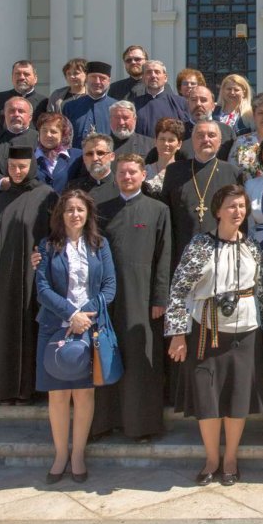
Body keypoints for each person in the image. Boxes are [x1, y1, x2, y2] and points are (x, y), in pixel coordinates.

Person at [165, 185, 263, 486]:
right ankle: (211, 459)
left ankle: (231, 459)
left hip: (244, 332)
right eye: (231, 206)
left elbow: (260, 291)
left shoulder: (252, 247)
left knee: (237, 397)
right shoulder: (200, 245)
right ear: (218, 211)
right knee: (208, 397)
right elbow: (179, 289)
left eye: (242, 206)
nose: (238, 211)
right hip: (206, 331)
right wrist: (178, 334)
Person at [34, 190, 117, 483]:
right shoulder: (46, 246)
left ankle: (78, 454)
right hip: (54, 326)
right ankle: (60, 455)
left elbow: (109, 287)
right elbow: (42, 289)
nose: (75, 215)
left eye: (80, 209)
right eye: (69, 209)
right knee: (57, 396)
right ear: (61, 214)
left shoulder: (99, 245)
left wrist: (85, 316)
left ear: (88, 213)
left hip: (90, 328)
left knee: (83, 394)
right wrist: (72, 314)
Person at [91, 154, 172, 441]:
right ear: (115, 176)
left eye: (132, 172)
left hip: (143, 298)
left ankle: (141, 426)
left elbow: (164, 256)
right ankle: (104, 422)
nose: (127, 177)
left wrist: (160, 299)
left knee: (140, 359)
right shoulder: (101, 210)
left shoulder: (158, 210)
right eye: (122, 173)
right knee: (106, 356)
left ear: (143, 175)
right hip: (107, 299)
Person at [0, 147, 58, 405]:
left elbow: (55, 236)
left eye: (22, 166)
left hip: (31, 279)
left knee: (29, 330)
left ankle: (28, 391)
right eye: (12, 166)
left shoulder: (46, 195)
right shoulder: (0, 198)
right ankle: (4, 390)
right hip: (2, 279)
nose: (17, 171)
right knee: (4, 333)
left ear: (32, 166)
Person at [162, 120, 246, 264]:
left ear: (220, 141)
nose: (206, 139)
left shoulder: (233, 173)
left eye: (211, 135)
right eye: (200, 136)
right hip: (182, 252)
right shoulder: (174, 171)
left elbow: (240, 219)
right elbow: (166, 216)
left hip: (221, 253)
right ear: (192, 141)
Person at [0, 60, 46, 141]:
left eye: (26, 74)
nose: (21, 77)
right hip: (1, 146)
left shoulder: (44, 102)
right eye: (17, 74)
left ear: (35, 79)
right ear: (12, 77)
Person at [63, 61, 117, 148]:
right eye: (93, 77)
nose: (97, 82)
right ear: (86, 79)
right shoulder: (70, 106)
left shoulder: (117, 107)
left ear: (109, 81)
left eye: (102, 78)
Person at [0, 96, 39, 175]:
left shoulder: (39, 139)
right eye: (11, 111)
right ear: (5, 115)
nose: (16, 114)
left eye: (21, 111)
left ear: (30, 117)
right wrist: (1, 180)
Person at [134, 60, 191, 137]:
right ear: (143, 78)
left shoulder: (180, 103)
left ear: (165, 78)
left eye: (157, 72)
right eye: (149, 72)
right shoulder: (134, 105)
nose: (153, 76)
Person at [66, 134, 119, 205]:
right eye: (89, 154)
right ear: (84, 158)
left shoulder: (122, 187)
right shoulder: (73, 188)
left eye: (100, 153)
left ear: (111, 156)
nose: (95, 158)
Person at [33, 112, 79, 193]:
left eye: (53, 131)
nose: (48, 135)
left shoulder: (77, 157)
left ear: (63, 135)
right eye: (44, 130)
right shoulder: (30, 157)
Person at [144, 117, 184, 196]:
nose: (166, 144)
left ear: (179, 144)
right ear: (155, 141)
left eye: (171, 140)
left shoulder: (184, 173)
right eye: (162, 139)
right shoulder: (144, 171)